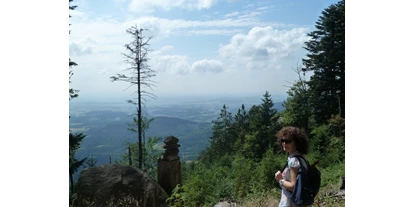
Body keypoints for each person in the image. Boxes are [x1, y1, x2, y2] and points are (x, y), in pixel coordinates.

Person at [274, 126, 311, 207]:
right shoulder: (302, 157)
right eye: (282, 140)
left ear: (297, 143)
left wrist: (280, 180)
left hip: (291, 202)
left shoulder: (293, 161)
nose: (284, 143)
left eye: (288, 141)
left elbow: (293, 186)